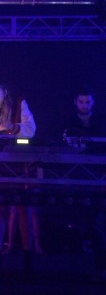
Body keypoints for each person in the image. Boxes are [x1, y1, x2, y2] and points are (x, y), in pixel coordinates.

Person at [0, 77, 37, 280]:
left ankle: (28, 263)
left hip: (19, 163)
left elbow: (31, 130)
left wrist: (14, 126)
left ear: (4, 91)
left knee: (23, 209)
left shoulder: (20, 103)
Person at [63, 85, 106, 281]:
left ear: (93, 102)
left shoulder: (101, 120)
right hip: (77, 176)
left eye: (87, 101)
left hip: (100, 175)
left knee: (98, 219)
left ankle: (99, 267)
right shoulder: (68, 123)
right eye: (81, 101)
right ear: (75, 102)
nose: (84, 105)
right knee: (86, 220)